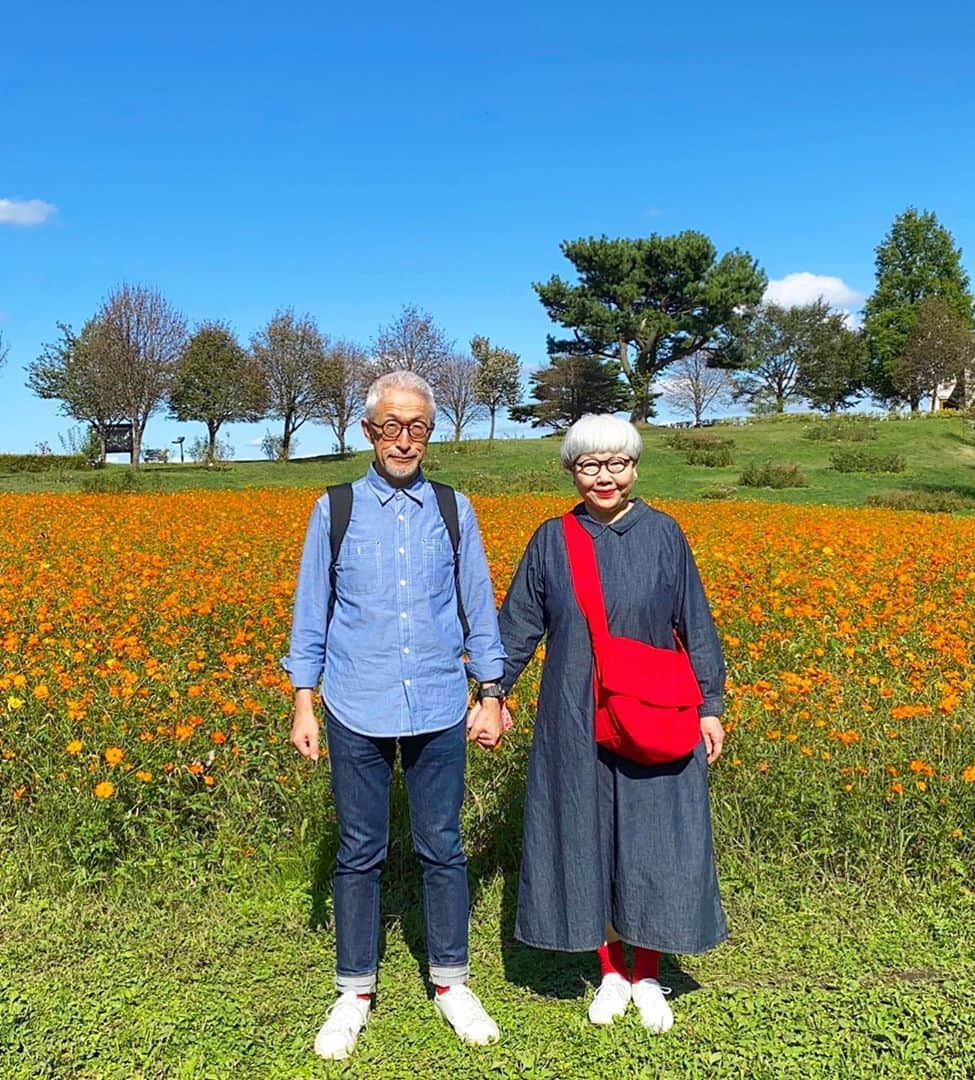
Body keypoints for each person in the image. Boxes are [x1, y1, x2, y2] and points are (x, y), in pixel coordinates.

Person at [283, 371, 507, 1061]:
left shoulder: (453, 508)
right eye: (391, 426)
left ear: (429, 434)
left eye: (416, 427)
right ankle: (354, 990)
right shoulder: (336, 508)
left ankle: (451, 981)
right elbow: (310, 609)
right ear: (368, 431)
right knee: (358, 850)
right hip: (357, 701)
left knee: (442, 844)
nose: (403, 439)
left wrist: (491, 692)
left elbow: (477, 602)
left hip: (441, 701)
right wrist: (304, 702)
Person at [496, 413, 727, 1034]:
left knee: (656, 836)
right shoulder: (551, 540)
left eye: (617, 463)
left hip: (657, 711)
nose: (605, 477)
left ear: (634, 467)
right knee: (585, 832)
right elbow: (517, 627)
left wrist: (710, 704)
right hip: (574, 711)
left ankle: (648, 970)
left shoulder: (665, 535)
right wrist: (493, 692)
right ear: (572, 472)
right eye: (590, 465)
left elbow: (696, 624)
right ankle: (610, 971)